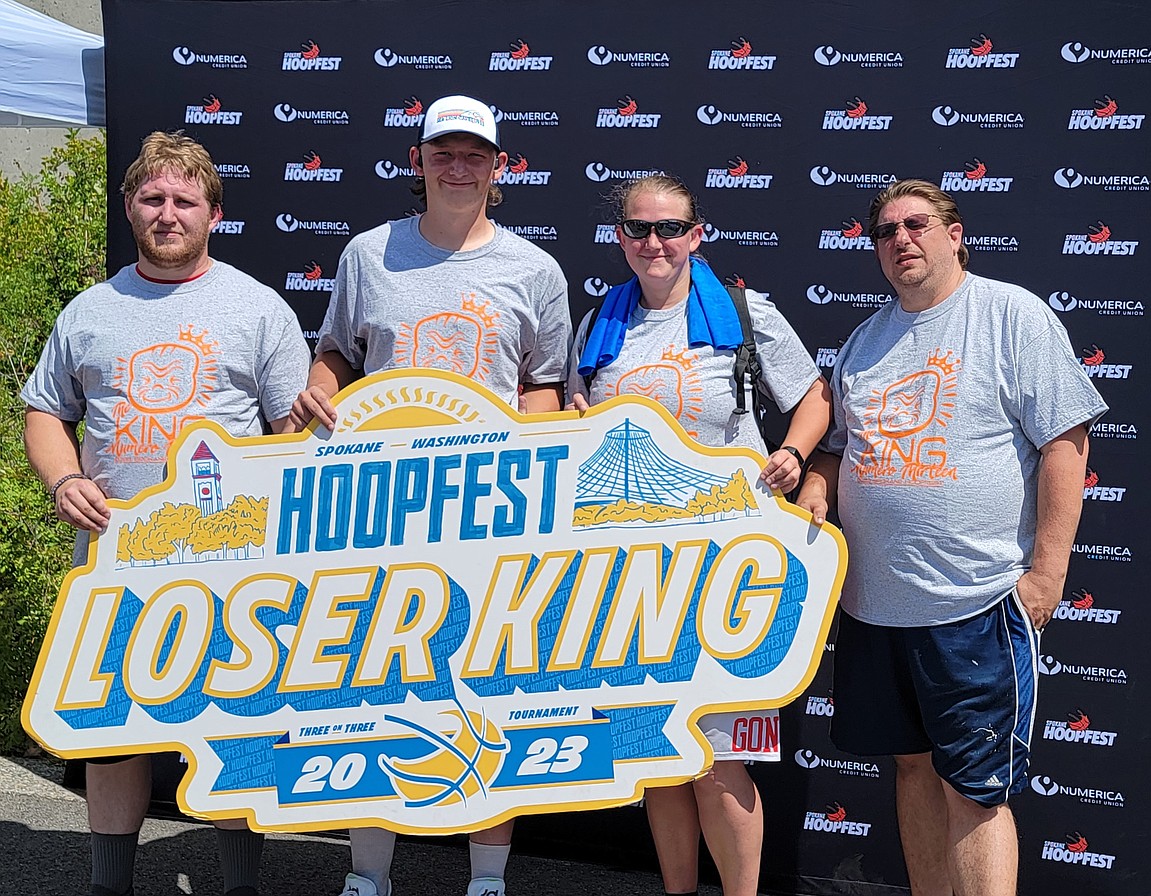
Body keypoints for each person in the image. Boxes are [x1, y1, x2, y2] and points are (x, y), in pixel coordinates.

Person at [286, 94, 571, 896]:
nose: (458, 165)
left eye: (474, 153)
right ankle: (367, 874)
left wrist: (518, 451)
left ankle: (487, 877)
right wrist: (316, 384)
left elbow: (546, 384)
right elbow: (338, 351)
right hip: (379, 509)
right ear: (417, 161)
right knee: (372, 685)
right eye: (442, 151)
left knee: (491, 685)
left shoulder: (533, 269)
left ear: (498, 167)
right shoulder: (368, 255)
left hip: (490, 513)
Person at [796, 179, 1108, 896]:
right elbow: (839, 447)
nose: (901, 240)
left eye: (917, 224)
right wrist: (816, 486)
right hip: (875, 607)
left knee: (975, 787)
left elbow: (1067, 441)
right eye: (885, 232)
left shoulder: (1010, 315)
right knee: (911, 767)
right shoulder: (865, 342)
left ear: (955, 232)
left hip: (975, 601)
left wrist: (1047, 574)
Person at [21, 131, 311, 896]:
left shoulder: (258, 308)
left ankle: (241, 884)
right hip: (117, 558)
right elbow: (45, 413)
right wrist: (62, 481)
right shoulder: (90, 311)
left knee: (233, 730)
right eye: (153, 199)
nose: (168, 213)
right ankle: (109, 883)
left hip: (232, 562)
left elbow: (293, 435)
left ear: (215, 212)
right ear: (129, 209)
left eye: (185, 200)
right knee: (115, 733)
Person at [566, 174, 831, 896]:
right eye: (639, 229)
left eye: (670, 228)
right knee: (659, 758)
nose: (655, 242)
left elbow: (813, 396)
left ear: (696, 234)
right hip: (630, 573)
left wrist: (797, 454)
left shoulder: (745, 314)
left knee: (721, 760)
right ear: (620, 236)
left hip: (731, 570)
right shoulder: (597, 327)